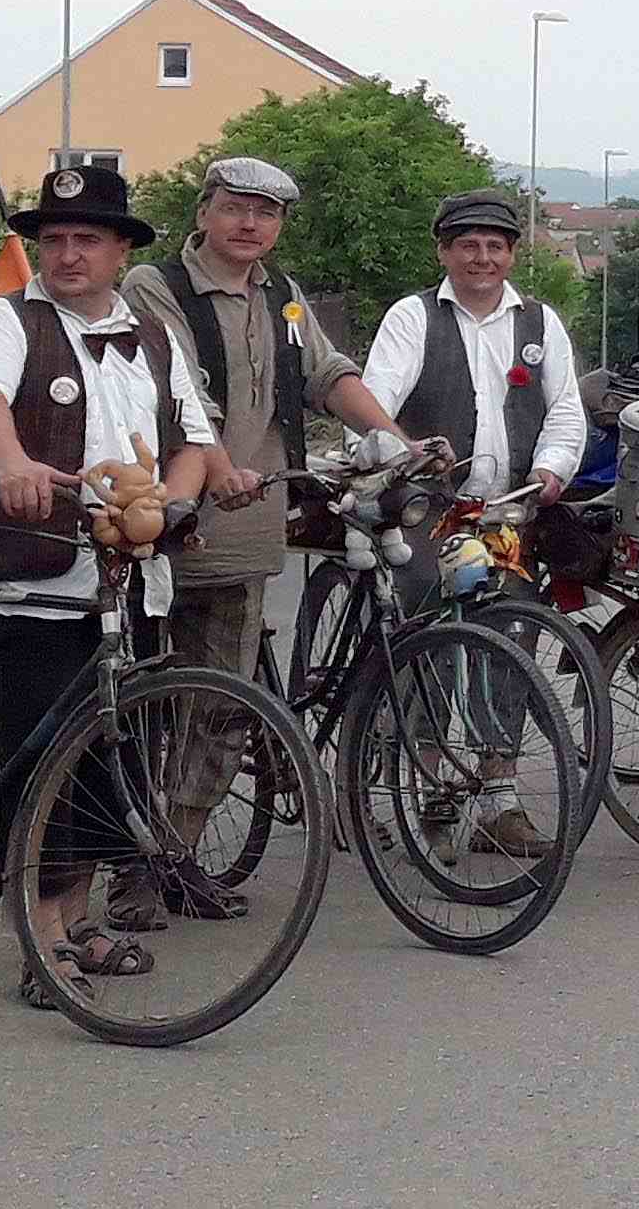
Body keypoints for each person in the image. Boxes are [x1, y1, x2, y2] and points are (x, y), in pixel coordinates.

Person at [0, 161, 216, 1005]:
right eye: (53, 238)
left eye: (86, 238)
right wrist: (13, 463)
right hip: (39, 581)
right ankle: (40, 933)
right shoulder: (9, 320)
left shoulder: (152, 335)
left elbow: (192, 442)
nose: (67, 253)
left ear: (120, 249)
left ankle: (80, 915)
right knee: (43, 755)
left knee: (108, 757)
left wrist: (173, 501)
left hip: (129, 582)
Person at [120, 156, 409, 922]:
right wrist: (217, 468)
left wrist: (395, 439)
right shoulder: (155, 285)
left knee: (220, 711)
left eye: (267, 212)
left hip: (244, 534)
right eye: (236, 206)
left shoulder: (281, 295)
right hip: (153, 525)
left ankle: (170, 861)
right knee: (135, 708)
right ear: (204, 211)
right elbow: (182, 390)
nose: (250, 223)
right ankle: (114, 865)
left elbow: (327, 373)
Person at [358, 186, 589, 858]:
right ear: (444, 251)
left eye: (494, 245)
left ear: (512, 254)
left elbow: (565, 410)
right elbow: (376, 402)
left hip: (506, 513)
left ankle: (498, 800)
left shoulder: (539, 322)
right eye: (467, 244)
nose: (482, 257)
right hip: (428, 511)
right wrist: (403, 453)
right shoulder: (413, 317)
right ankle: (432, 785)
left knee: (509, 645)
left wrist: (551, 468)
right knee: (427, 641)